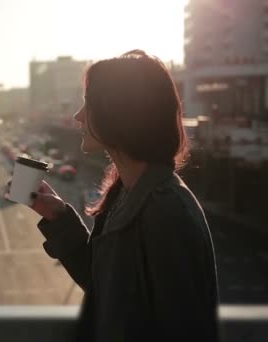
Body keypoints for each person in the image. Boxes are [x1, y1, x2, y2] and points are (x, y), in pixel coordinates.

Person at [14, 50, 219, 341]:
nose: (77, 116)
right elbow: (107, 288)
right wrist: (58, 217)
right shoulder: (128, 194)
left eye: (88, 104)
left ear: (118, 112)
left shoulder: (165, 209)